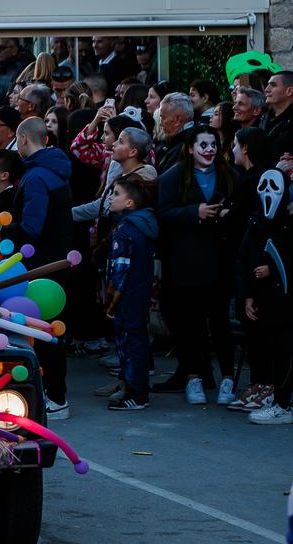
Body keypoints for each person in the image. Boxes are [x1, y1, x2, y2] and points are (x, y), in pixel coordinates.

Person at [156, 125, 237, 405]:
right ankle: (194, 378)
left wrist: (227, 213)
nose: (209, 150)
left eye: (213, 144)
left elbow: (242, 208)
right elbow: (163, 213)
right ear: (191, 148)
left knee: (220, 323)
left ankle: (228, 379)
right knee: (190, 325)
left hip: (219, 261)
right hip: (185, 262)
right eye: (203, 144)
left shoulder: (228, 175)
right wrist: (195, 212)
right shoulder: (173, 177)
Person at [12, 118, 74, 418]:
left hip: (40, 266)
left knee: (44, 331)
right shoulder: (57, 171)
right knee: (51, 329)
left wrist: (4, 233)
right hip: (56, 261)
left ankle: (55, 396)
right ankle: (55, 392)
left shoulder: (36, 178)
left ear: (24, 139)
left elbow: (31, 227)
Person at [230, 127, 290, 421]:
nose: (268, 193)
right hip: (261, 293)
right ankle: (271, 393)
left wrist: (275, 269)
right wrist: (248, 293)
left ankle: (281, 400)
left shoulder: (285, 225)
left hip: (281, 295)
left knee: (282, 344)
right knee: (266, 341)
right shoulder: (257, 221)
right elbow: (245, 255)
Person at [102, 176, 159, 411]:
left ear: (130, 203)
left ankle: (136, 392)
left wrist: (111, 302)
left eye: (116, 193)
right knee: (137, 339)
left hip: (127, 296)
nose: (110, 198)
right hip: (140, 292)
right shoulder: (142, 225)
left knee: (129, 342)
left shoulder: (124, 230)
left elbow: (120, 270)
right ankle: (133, 386)